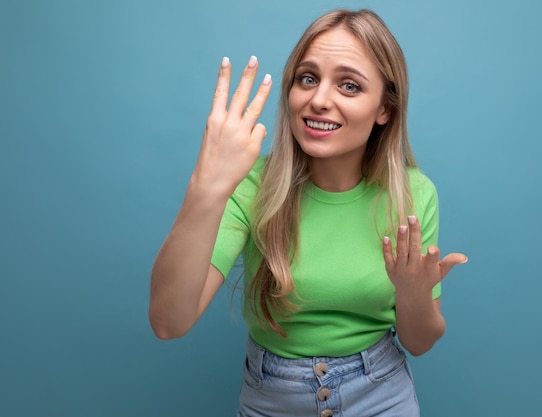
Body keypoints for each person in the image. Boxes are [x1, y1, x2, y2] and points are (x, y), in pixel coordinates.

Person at [149, 8, 467, 417]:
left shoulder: (412, 194)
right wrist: (206, 186)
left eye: (349, 86)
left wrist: (412, 293)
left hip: (380, 394)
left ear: (384, 109)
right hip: (271, 398)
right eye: (308, 78)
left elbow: (420, 342)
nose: (319, 100)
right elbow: (168, 322)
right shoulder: (251, 185)